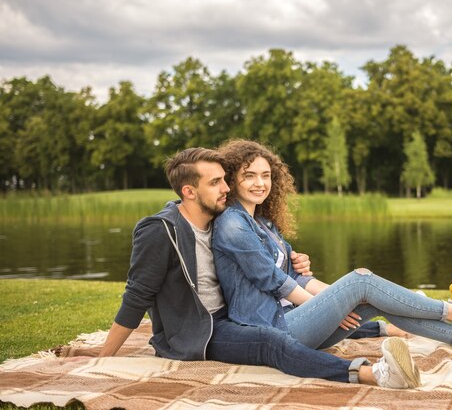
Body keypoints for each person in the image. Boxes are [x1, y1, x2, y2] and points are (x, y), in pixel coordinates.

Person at [98, 147, 420, 389]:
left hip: (233, 314)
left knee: (295, 320)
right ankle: (373, 374)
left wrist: (296, 261)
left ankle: (384, 327)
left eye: (225, 179)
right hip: (201, 332)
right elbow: (137, 295)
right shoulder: (160, 230)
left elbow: (261, 263)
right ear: (189, 191)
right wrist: (103, 355)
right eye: (216, 182)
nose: (226, 188)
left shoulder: (219, 221)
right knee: (271, 342)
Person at [212, 139, 452, 359]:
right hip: (273, 329)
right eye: (249, 175)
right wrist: (331, 306)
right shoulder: (233, 224)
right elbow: (275, 282)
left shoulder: (265, 225)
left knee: (372, 293)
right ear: (232, 179)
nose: (259, 183)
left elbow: (299, 277)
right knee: (361, 280)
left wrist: (332, 304)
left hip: (298, 319)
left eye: (266, 175)